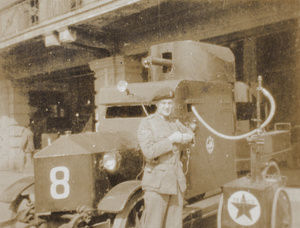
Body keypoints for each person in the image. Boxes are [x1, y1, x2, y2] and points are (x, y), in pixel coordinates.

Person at [137, 87, 194, 228]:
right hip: (157, 185)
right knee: (153, 225)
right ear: (157, 105)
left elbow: (190, 134)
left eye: (169, 103)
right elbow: (149, 151)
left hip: (175, 182)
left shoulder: (175, 122)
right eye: (164, 104)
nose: (167, 107)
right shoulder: (148, 123)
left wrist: (187, 137)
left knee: (174, 225)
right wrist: (171, 140)